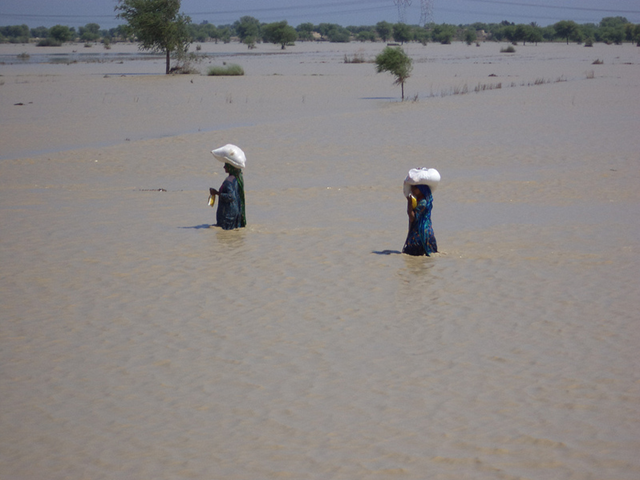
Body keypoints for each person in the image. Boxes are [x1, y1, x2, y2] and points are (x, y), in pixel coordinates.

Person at [209, 144, 247, 230]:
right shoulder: (237, 178)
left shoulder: (229, 181)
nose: (224, 167)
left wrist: (217, 193)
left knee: (225, 236)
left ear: (230, 167)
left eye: (226, 165)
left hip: (228, 215)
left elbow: (230, 196)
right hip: (235, 212)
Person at [402, 182, 438, 256]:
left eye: (415, 188)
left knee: (415, 257)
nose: (412, 189)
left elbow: (412, 217)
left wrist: (409, 203)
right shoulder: (419, 200)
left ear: (421, 189)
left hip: (421, 234)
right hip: (425, 231)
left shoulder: (423, 202)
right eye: (412, 187)